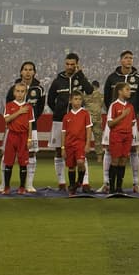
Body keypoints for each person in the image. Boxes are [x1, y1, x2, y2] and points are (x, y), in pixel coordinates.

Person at [46, 53, 97, 191]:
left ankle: (85, 183)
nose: (69, 67)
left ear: (77, 65)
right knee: (59, 151)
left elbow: (89, 90)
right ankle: (62, 182)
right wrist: (59, 112)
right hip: (60, 120)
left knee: (81, 152)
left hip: (79, 121)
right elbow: (50, 100)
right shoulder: (58, 81)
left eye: (72, 64)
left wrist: (80, 74)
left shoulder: (80, 78)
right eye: (67, 64)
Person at [103, 51, 139, 194]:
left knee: (130, 153)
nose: (129, 60)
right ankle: (107, 184)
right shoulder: (112, 78)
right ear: (121, 60)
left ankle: (134, 184)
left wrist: (131, 117)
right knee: (110, 153)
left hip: (130, 124)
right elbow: (107, 97)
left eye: (131, 58)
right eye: (126, 58)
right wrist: (121, 115)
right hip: (115, 126)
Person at [5, 62, 45, 193]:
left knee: (31, 154)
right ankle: (4, 184)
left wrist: (30, 120)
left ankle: (28, 184)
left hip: (30, 128)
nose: (28, 72)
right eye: (25, 69)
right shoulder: (13, 88)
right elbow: (8, 105)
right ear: (21, 72)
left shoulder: (39, 89)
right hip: (13, 129)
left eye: (30, 69)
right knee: (7, 157)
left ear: (34, 72)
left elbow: (40, 107)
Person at [1, 81, 35, 195]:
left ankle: (22, 187)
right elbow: (6, 119)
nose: (20, 94)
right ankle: (6, 187)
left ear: (25, 93)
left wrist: (29, 139)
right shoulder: (9, 105)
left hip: (24, 136)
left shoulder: (29, 107)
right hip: (12, 135)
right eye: (18, 91)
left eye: (22, 91)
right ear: (14, 92)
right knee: (9, 162)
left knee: (23, 163)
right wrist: (19, 112)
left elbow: (30, 124)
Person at [106, 81, 135, 194]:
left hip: (127, 136)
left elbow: (133, 121)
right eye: (127, 89)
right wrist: (122, 116)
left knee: (123, 161)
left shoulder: (130, 106)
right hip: (116, 136)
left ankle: (119, 187)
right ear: (120, 92)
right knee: (115, 160)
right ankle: (112, 188)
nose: (129, 92)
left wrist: (126, 126)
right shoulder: (114, 105)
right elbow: (110, 123)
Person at [62, 91, 93, 196]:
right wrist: (63, 147)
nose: (78, 101)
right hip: (69, 144)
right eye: (75, 99)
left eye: (80, 99)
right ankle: (72, 187)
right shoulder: (67, 116)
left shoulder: (85, 114)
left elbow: (88, 129)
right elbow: (63, 133)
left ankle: (79, 182)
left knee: (80, 162)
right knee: (71, 166)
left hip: (80, 143)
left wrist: (88, 144)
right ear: (70, 100)